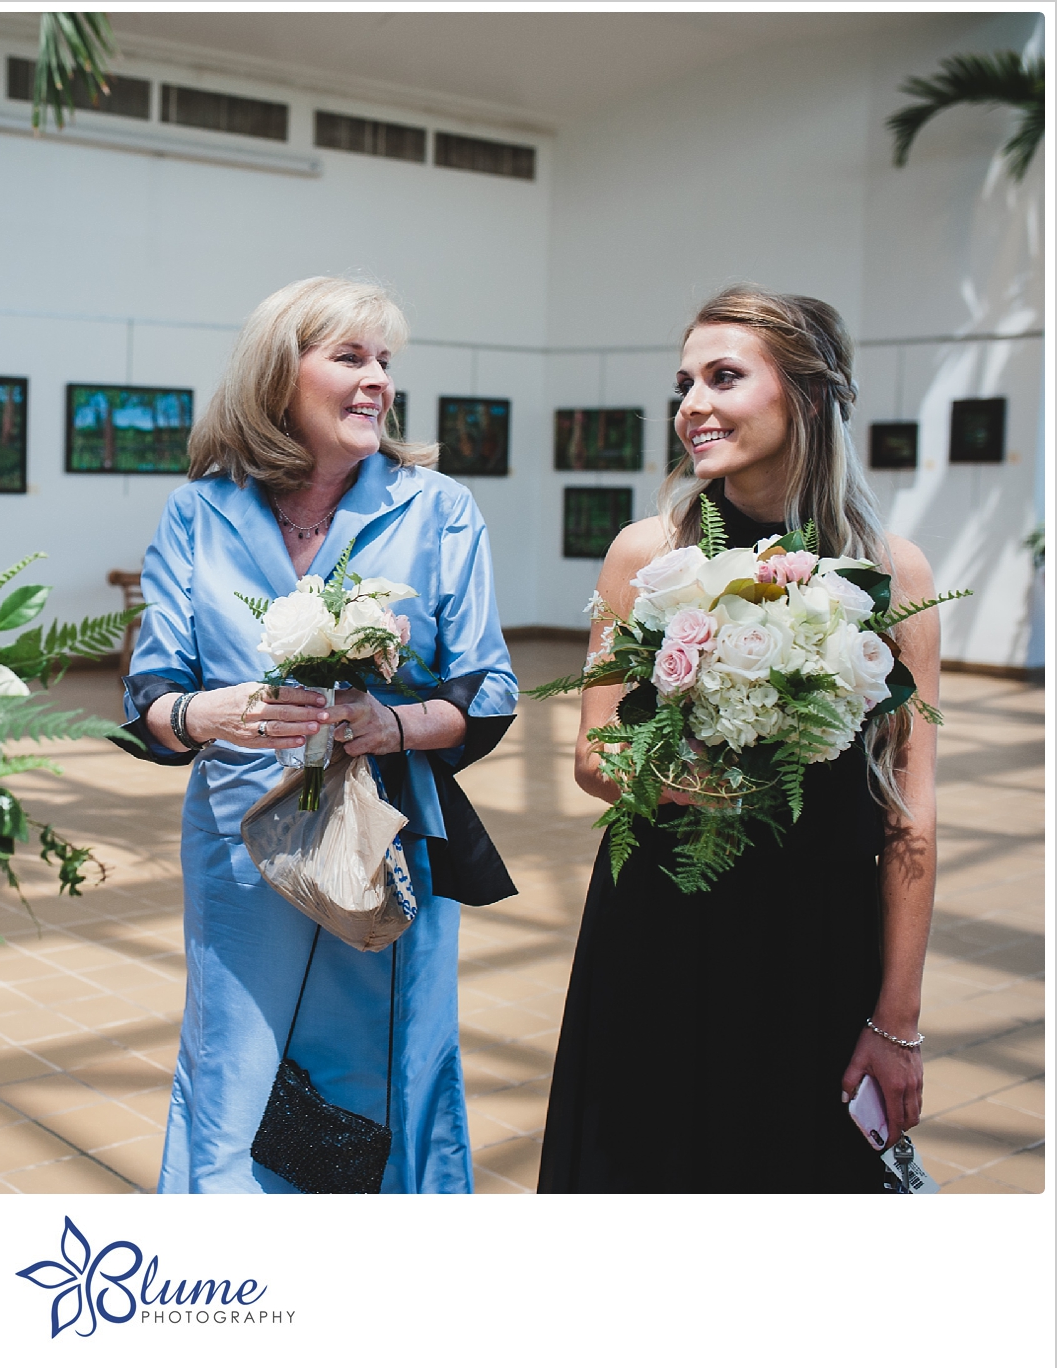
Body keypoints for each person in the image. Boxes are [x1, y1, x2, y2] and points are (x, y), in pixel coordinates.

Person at [538, 287, 941, 1193]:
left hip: (817, 936)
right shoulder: (649, 554)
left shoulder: (892, 573)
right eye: (684, 382)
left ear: (805, 394)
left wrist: (897, 1019)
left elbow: (911, 813)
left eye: (724, 377)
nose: (692, 404)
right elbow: (594, 752)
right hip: (661, 923)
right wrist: (687, 777)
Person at [121, 276, 519, 1193]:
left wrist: (389, 723)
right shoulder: (198, 513)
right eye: (350, 357)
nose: (377, 379)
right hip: (239, 841)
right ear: (277, 375)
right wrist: (207, 715)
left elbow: (488, 688)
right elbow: (154, 691)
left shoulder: (437, 508)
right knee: (233, 1065)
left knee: (382, 1075)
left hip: (382, 841)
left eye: (385, 361)